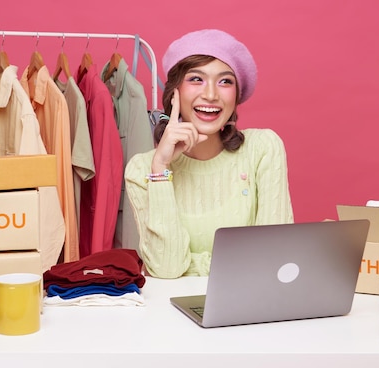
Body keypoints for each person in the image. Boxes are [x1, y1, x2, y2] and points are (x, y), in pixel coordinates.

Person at [125, 29, 294, 278]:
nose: (211, 95)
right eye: (196, 79)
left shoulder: (263, 149)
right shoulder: (142, 169)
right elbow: (167, 268)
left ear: (236, 97)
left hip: (251, 310)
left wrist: (191, 266)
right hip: (168, 314)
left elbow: (273, 258)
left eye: (225, 81)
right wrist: (160, 168)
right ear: (175, 93)